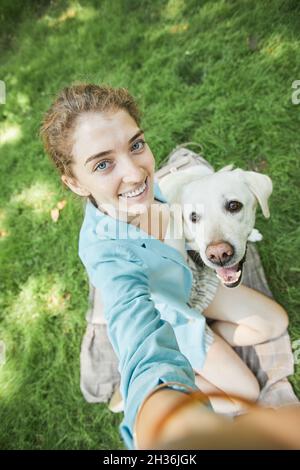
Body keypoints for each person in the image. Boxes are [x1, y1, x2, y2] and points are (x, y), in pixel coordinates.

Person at [40, 83, 297, 450]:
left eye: (136, 145)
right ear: (74, 182)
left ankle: (210, 346)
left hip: (190, 286)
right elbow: (136, 330)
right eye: (102, 163)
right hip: (170, 320)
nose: (136, 173)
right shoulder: (109, 260)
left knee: (275, 322)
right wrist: (160, 406)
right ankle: (179, 371)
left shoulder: (149, 187)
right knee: (247, 390)